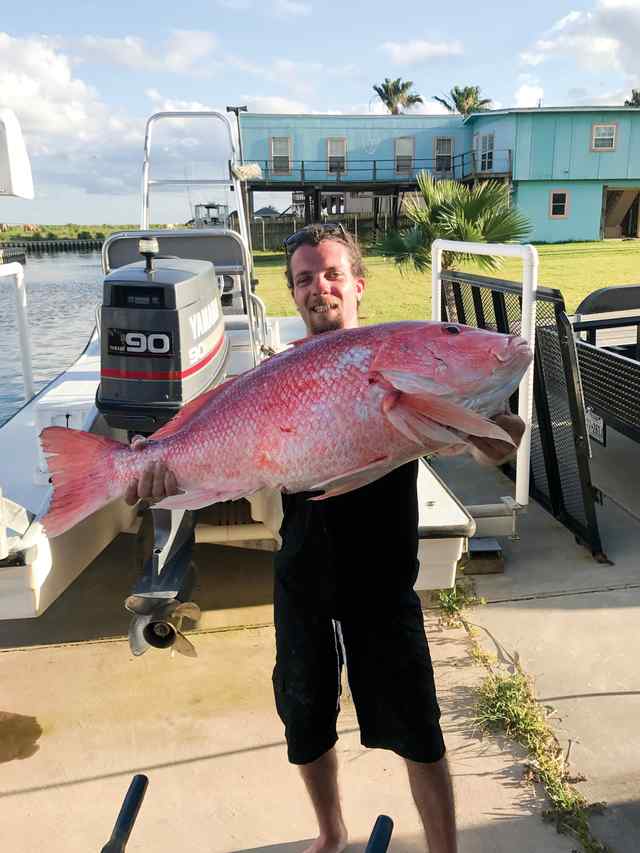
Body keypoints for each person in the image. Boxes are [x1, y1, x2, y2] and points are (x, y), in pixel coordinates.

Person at [125, 224, 525, 853]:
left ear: (358, 285)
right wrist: (157, 474)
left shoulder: (398, 358)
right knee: (304, 716)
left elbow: (497, 447)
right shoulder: (276, 372)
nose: (320, 289)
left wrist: (493, 439)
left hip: (384, 578)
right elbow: (222, 448)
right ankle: (331, 832)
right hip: (302, 570)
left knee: (418, 725)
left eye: (333, 274)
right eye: (305, 279)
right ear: (292, 293)